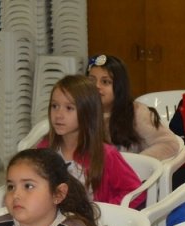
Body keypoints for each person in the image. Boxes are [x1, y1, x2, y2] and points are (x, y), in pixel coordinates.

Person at [38, 75, 143, 208]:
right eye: (54, 106)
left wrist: (103, 212)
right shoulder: (44, 148)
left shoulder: (106, 154)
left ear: (88, 112)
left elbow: (136, 192)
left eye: (69, 108)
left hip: (92, 224)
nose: (58, 115)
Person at [86, 54, 181, 161]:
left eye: (105, 82)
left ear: (119, 86)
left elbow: (169, 144)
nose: (97, 86)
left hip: (129, 175)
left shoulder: (136, 113)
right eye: (91, 81)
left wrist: (135, 164)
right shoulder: (78, 112)